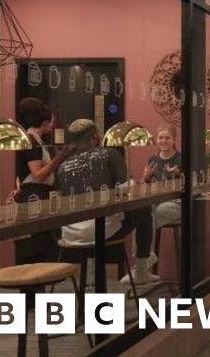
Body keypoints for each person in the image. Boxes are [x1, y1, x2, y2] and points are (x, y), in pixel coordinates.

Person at [54, 119, 159, 284]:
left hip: (70, 234)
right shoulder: (109, 154)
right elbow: (126, 190)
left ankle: (90, 276)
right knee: (144, 210)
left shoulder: (62, 166)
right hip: (102, 231)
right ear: (95, 136)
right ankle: (141, 272)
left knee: (94, 219)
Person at [15, 97, 71, 186]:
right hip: (33, 194)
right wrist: (59, 158)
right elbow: (38, 176)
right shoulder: (31, 141)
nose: (53, 125)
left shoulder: (36, 140)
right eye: (52, 122)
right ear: (45, 123)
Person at [143, 124, 182, 245]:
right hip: (156, 199)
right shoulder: (153, 159)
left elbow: (191, 183)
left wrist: (178, 174)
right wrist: (146, 176)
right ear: (156, 139)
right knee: (142, 213)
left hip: (176, 202)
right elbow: (148, 185)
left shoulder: (181, 158)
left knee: (149, 216)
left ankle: (145, 256)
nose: (163, 141)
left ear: (174, 139)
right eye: (160, 138)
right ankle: (144, 257)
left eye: (167, 138)